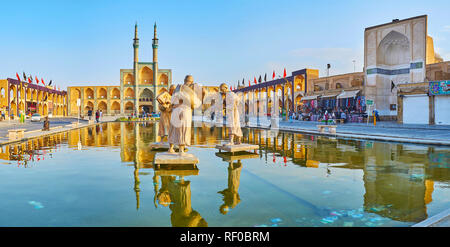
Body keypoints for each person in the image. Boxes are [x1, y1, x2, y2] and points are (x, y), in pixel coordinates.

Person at [168, 75, 202, 154]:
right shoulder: (191, 91)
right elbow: (196, 104)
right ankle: (181, 149)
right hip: (185, 111)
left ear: (184, 80)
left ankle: (171, 148)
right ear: (192, 82)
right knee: (183, 129)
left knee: (173, 129)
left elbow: (172, 100)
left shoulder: (178, 87)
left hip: (176, 110)